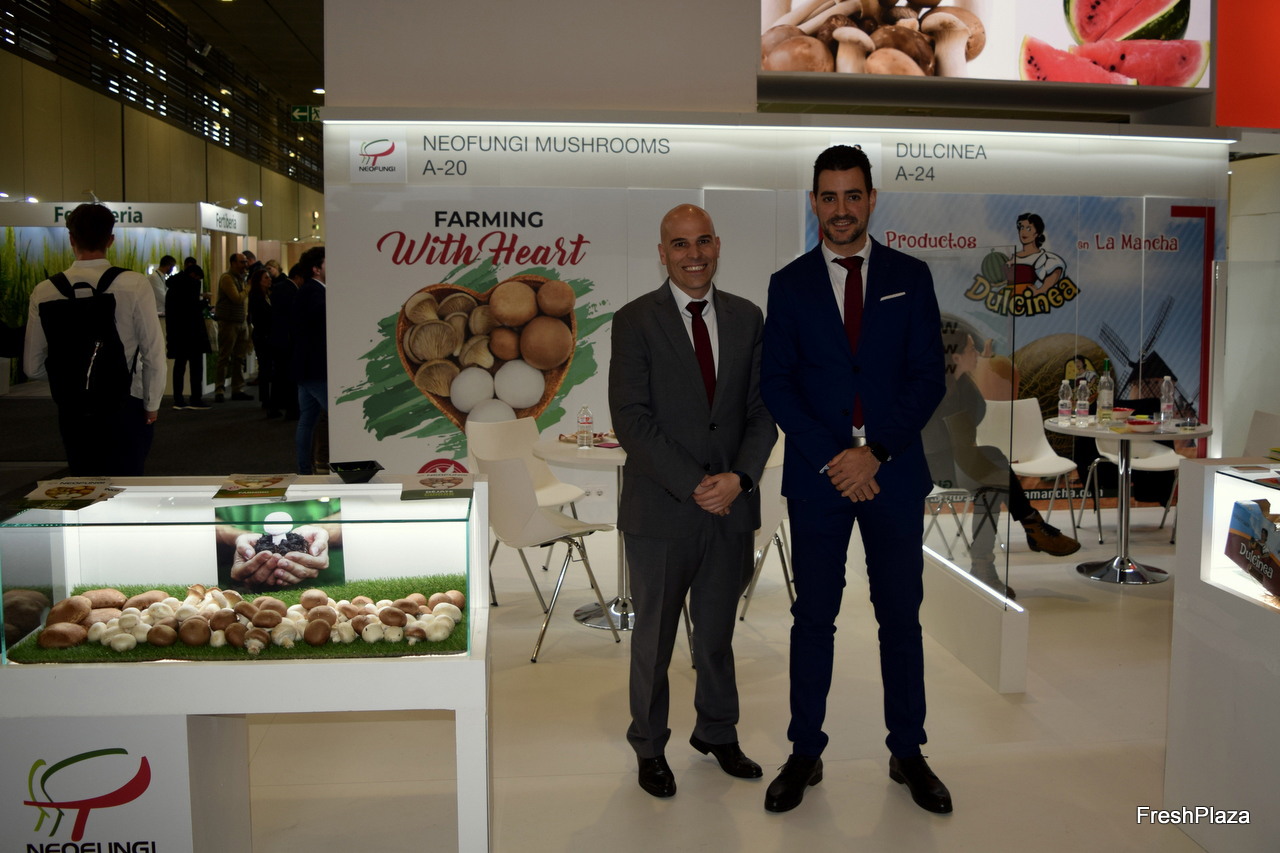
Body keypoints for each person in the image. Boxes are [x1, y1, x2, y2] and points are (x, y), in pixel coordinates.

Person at [759, 145, 950, 815]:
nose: (841, 209)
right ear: (814, 202)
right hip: (821, 480)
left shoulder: (910, 276)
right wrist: (837, 458)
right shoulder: (788, 284)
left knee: (900, 617)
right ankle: (804, 751)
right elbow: (777, 384)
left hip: (893, 475)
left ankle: (908, 751)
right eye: (829, 196)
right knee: (814, 616)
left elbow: (929, 376)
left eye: (852, 195)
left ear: (871, 199)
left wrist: (877, 453)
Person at [609, 204, 777, 799]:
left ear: (717, 245)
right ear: (662, 253)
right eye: (680, 244)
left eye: (702, 241)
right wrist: (697, 483)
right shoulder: (635, 320)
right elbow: (631, 418)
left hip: (731, 507)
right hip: (662, 510)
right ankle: (649, 745)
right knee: (653, 639)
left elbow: (762, 412)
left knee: (716, 636)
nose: (693, 254)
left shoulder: (747, 317)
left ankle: (717, 732)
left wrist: (740, 477)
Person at [927, 334, 1081, 597]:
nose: (977, 353)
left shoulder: (963, 385)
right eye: (971, 349)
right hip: (937, 467)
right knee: (994, 465)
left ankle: (985, 565)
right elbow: (933, 442)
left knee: (992, 482)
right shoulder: (934, 389)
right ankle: (1029, 527)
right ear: (955, 357)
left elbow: (973, 421)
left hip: (963, 461)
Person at [23, 203, 166, 475]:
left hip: (73, 407)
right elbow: (153, 353)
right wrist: (152, 404)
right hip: (126, 402)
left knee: (84, 484)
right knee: (126, 484)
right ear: (110, 239)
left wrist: (72, 377)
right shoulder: (134, 284)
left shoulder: (44, 291)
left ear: (71, 239)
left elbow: (32, 366)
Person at [293, 246, 328, 474]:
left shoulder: (308, 291)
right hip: (316, 369)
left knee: (307, 420)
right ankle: (313, 467)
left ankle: (304, 469)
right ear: (316, 269)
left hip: (305, 368)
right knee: (337, 416)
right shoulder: (315, 293)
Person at [164, 263, 212, 411]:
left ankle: (178, 399)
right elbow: (192, 309)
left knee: (179, 366)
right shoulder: (190, 286)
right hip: (193, 334)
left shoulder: (173, 287)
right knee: (196, 367)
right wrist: (204, 303)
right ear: (193, 275)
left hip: (178, 334)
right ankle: (195, 398)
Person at [214, 252, 252, 403]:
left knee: (239, 357)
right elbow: (237, 298)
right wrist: (248, 287)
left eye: (246, 262)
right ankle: (219, 390)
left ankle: (238, 389)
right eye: (242, 262)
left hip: (242, 322)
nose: (245, 265)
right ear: (233, 263)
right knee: (225, 357)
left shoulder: (241, 278)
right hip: (228, 323)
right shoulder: (227, 278)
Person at [270, 263, 303, 420]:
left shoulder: (278, 288)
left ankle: (274, 407)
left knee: (278, 374)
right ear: (297, 277)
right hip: (287, 339)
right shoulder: (292, 291)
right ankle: (291, 409)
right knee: (289, 375)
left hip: (278, 337)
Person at [1009, 212, 1065, 296]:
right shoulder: (1012, 256)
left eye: (1028, 228)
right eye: (1022, 228)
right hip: (1008, 298)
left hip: (1027, 299)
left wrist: (1041, 290)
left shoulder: (1041, 256)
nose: (1024, 232)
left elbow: (1056, 271)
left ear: (1037, 233)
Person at [247, 266, 276, 416]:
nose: (269, 280)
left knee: (267, 367)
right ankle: (265, 398)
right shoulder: (256, 297)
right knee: (265, 367)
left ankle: (267, 398)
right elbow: (259, 318)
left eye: (269, 277)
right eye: (266, 278)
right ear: (259, 281)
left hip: (267, 335)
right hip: (262, 335)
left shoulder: (268, 295)